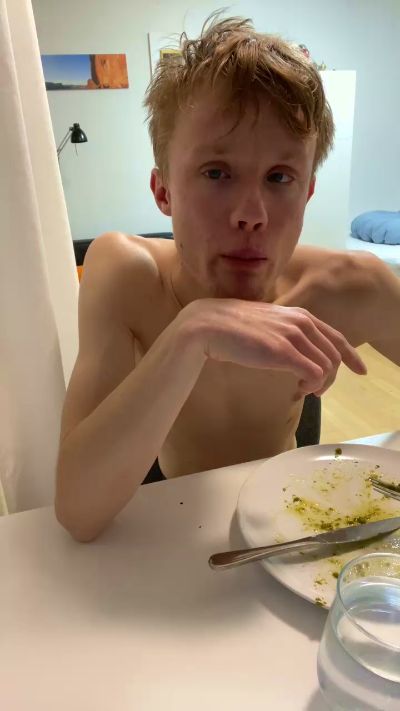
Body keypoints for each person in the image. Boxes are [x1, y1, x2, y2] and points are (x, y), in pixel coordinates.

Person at [55, 15, 400, 542]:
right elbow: (78, 514)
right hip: (169, 522)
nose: (251, 215)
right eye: (216, 172)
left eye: (279, 177)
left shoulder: (350, 287)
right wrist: (191, 333)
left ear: (307, 193)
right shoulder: (127, 274)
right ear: (164, 191)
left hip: (291, 526)